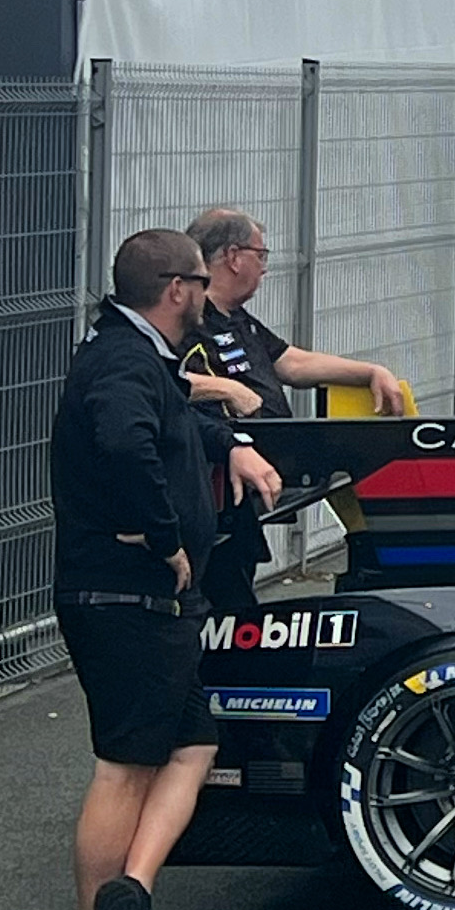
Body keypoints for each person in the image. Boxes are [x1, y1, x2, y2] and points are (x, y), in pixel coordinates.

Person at [51, 229, 281, 910]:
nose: (206, 298)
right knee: (125, 765)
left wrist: (231, 444)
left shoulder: (139, 357)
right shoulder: (121, 360)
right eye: (200, 283)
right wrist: (164, 535)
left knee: (192, 745)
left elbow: (172, 415)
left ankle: (131, 899)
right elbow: (126, 438)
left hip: (150, 601)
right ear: (178, 287)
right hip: (125, 597)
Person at [174, 207, 408, 615]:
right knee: (220, 603)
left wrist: (370, 371)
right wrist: (227, 388)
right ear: (233, 257)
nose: (265, 267)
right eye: (260, 254)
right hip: (210, 490)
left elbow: (291, 363)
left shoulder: (237, 319)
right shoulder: (188, 319)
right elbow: (159, 381)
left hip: (252, 492)